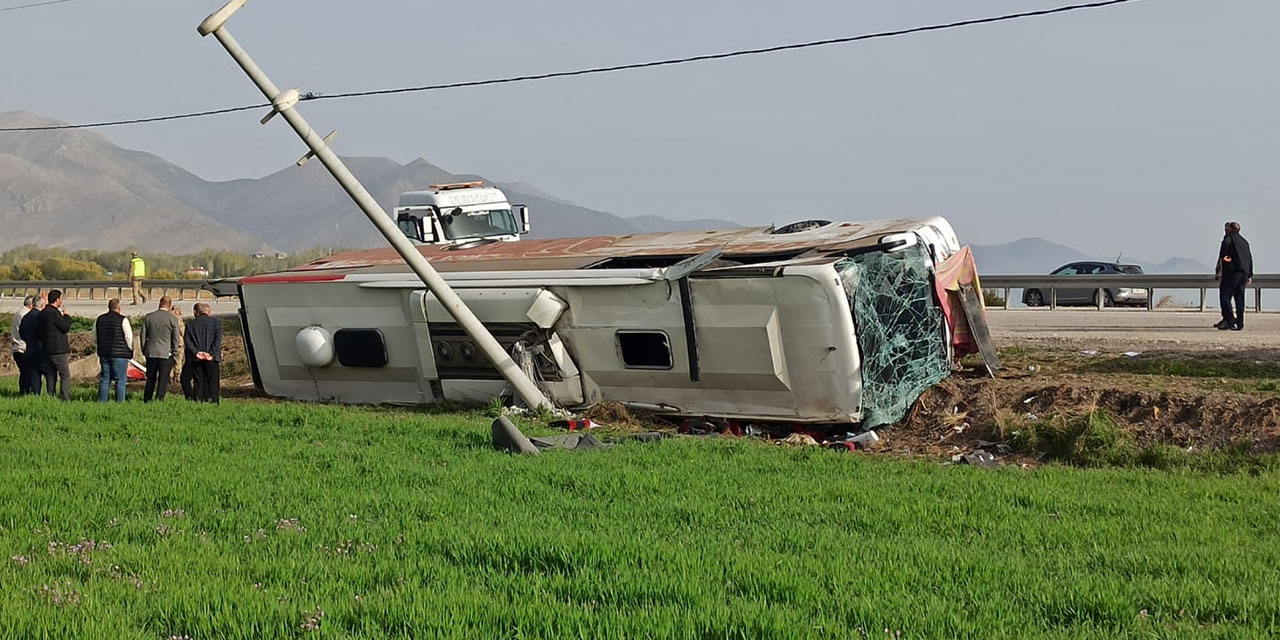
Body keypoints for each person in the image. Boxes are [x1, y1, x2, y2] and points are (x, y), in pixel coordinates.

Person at [1214, 221, 1253, 331]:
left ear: (1230, 229)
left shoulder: (1228, 239)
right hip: (1244, 273)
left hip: (1232, 272)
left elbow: (1223, 255)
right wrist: (1249, 274)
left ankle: (1229, 320)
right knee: (1240, 298)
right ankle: (1240, 323)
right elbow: (1249, 259)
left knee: (1225, 296)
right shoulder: (1245, 242)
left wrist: (1225, 261)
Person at [141, 296, 181, 402]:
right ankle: (159, 399)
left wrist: (144, 349)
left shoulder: (149, 317)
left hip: (151, 352)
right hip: (166, 353)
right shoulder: (172, 319)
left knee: (150, 378)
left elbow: (143, 335)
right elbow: (176, 337)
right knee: (163, 379)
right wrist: (174, 351)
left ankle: (147, 398)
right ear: (170, 306)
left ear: (159, 303)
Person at [95, 298, 133, 403]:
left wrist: (100, 345)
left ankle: (102, 401)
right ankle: (119, 403)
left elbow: (94, 336)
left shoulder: (99, 319)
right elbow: (129, 337)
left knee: (105, 378)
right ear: (119, 308)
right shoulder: (123, 320)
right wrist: (130, 349)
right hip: (120, 354)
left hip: (104, 353)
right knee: (120, 379)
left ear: (109, 307)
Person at [37, 289, 73, 401]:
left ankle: (50, 396)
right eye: (61, 298)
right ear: (57, 300)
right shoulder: (54, 312)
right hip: (58, 349)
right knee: (64, 374)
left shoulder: (42, 313)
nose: (62, 301)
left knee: (51, 375)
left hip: (46, 348)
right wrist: (66, 316)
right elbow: (65, 326)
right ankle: (64, 398)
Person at [183, 303, 223, 403]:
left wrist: (196, 352)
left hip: (197, 358)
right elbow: (217, 341)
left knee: (198, 382)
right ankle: (214, 401)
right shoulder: (216, 323)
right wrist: (211, 353)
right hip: (212, 359)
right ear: (209, 312)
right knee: (213, 383)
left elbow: (187, 341)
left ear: (196, 312)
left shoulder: (190, 324)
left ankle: (198, 401)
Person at [19, 294, 50, 395]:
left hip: (30, 349)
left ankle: (35, 393)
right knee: (49, 374)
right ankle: (51, 394)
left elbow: (22, 333)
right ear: (41, 305)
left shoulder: (26, 317)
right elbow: (45, 333)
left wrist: (29, 341)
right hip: (41, 350)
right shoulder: (40, 317)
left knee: (34, 375)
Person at [10, 296, 33, 395]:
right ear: (31, 304)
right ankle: (25, 392)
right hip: (23, 347)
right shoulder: (26, 315)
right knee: (27, 373)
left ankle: (23, 392)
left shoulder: (18, 313)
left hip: (17, 347)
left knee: (24, 373)